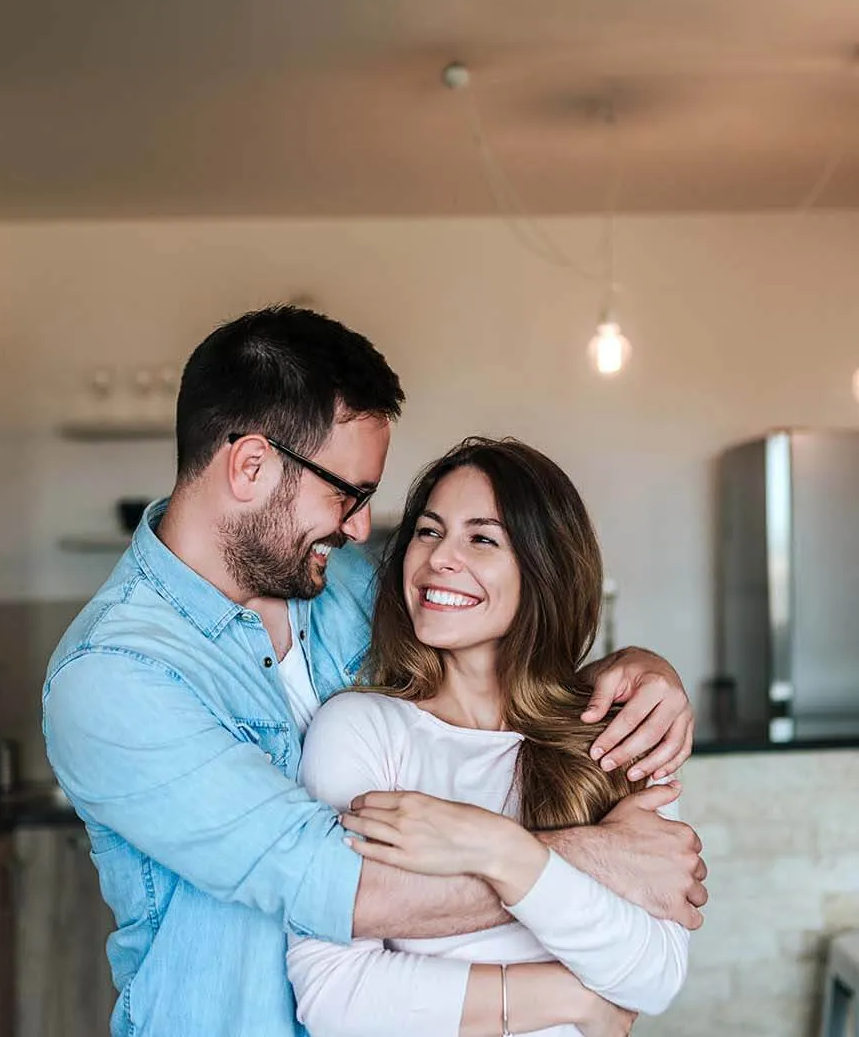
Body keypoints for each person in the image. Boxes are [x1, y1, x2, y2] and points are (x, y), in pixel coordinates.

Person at [43, 305, 706, 1037]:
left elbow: (501, 619)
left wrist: (639, 668)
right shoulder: (113, 677)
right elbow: (339, 886)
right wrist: (592, 859)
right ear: (251, 465)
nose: (361, 527)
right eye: (346, 493)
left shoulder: (343, 582)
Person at [287, 438, 689, 1037]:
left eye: (482, 538)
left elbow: (655, 975)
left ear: (544, 569)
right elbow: (334, 993)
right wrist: (572, 997)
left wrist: (496, 848)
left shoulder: (617, 732)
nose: (440, 559)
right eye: (428, 531)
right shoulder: (360, 729)